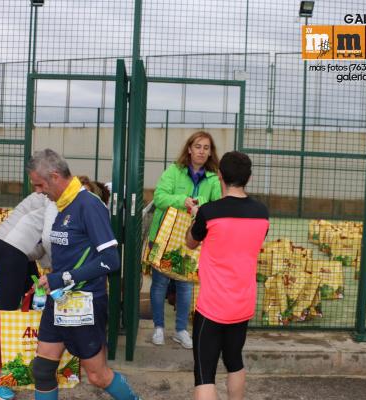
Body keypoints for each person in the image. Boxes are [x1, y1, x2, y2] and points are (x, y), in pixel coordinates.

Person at [28, 149, 141, 400]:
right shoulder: (62, 204)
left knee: (98, 376)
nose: (38, 191)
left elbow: (111, 260)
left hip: (84, 304)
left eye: (39, 185)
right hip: (59, 301)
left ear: (55, 176)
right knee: (43, 369)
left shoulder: (89, 205)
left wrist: (64, 277)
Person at [185, 151, 269, 400]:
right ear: (249, 178)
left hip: (212, 305)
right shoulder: (262, 213)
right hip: (242, 304)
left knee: (204, 372)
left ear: (219, 175)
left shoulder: (209, 212)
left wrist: (195, 217)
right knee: (234, 361)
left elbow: (191, 242)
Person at [148, 131, 222, 349]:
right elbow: (159, 198)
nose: (201, 151)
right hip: (165, 239)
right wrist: (183, 200)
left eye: (206, 148)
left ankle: (181, 330)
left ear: (210, 153)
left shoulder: (213, 179)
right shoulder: (174, 171)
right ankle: (158, 328)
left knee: (186, 285)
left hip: (193, 241)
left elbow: (218, 204)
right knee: (160, 282)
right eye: (197, 146)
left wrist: (203, 207)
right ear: (189, 149)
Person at [0, 191, 53, 400]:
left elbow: (37, 244)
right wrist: (53, 270)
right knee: (6, 310)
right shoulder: (54, 200)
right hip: (11, 249)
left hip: (19, 250)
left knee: (34, 297)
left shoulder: (51, 197)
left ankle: (26, 359)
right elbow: (49, 239)